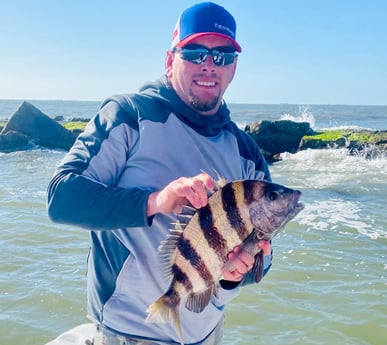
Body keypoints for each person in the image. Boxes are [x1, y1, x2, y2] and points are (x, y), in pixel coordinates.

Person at [47, 2, 272, 344]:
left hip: (208, 334)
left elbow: (263, 263)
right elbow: (61, 198)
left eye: (222, 55)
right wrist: (154, 201)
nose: (209, 65)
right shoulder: (129, 116)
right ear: (170, 60)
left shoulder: (247, 153)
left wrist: (237, 272)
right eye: (195, 52)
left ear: (234, 67)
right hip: (128, 332)